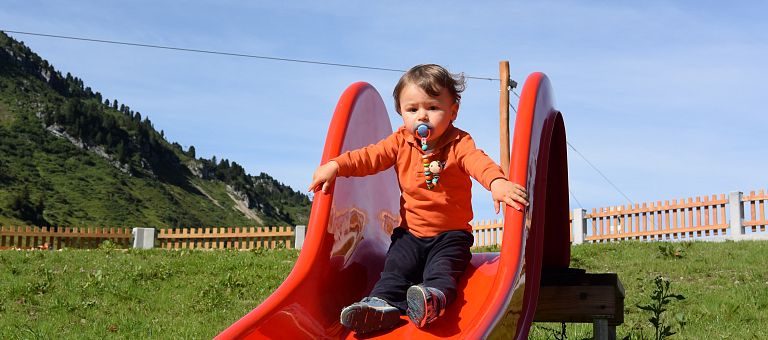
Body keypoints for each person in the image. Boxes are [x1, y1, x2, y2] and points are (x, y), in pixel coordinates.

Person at [308, 64, 529, 334]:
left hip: (451, 236)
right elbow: (369, 157)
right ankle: (380, 305)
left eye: (432, 108)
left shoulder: (459, 143)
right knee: (395, 269)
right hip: (409, 234)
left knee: (442, 270)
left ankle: (432, 299)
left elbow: (478, 162)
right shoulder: (400, 142)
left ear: (453, 112)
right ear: (402, 113)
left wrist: (496, 182)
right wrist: (337, 166)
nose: (422, 116)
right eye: (412, 110)